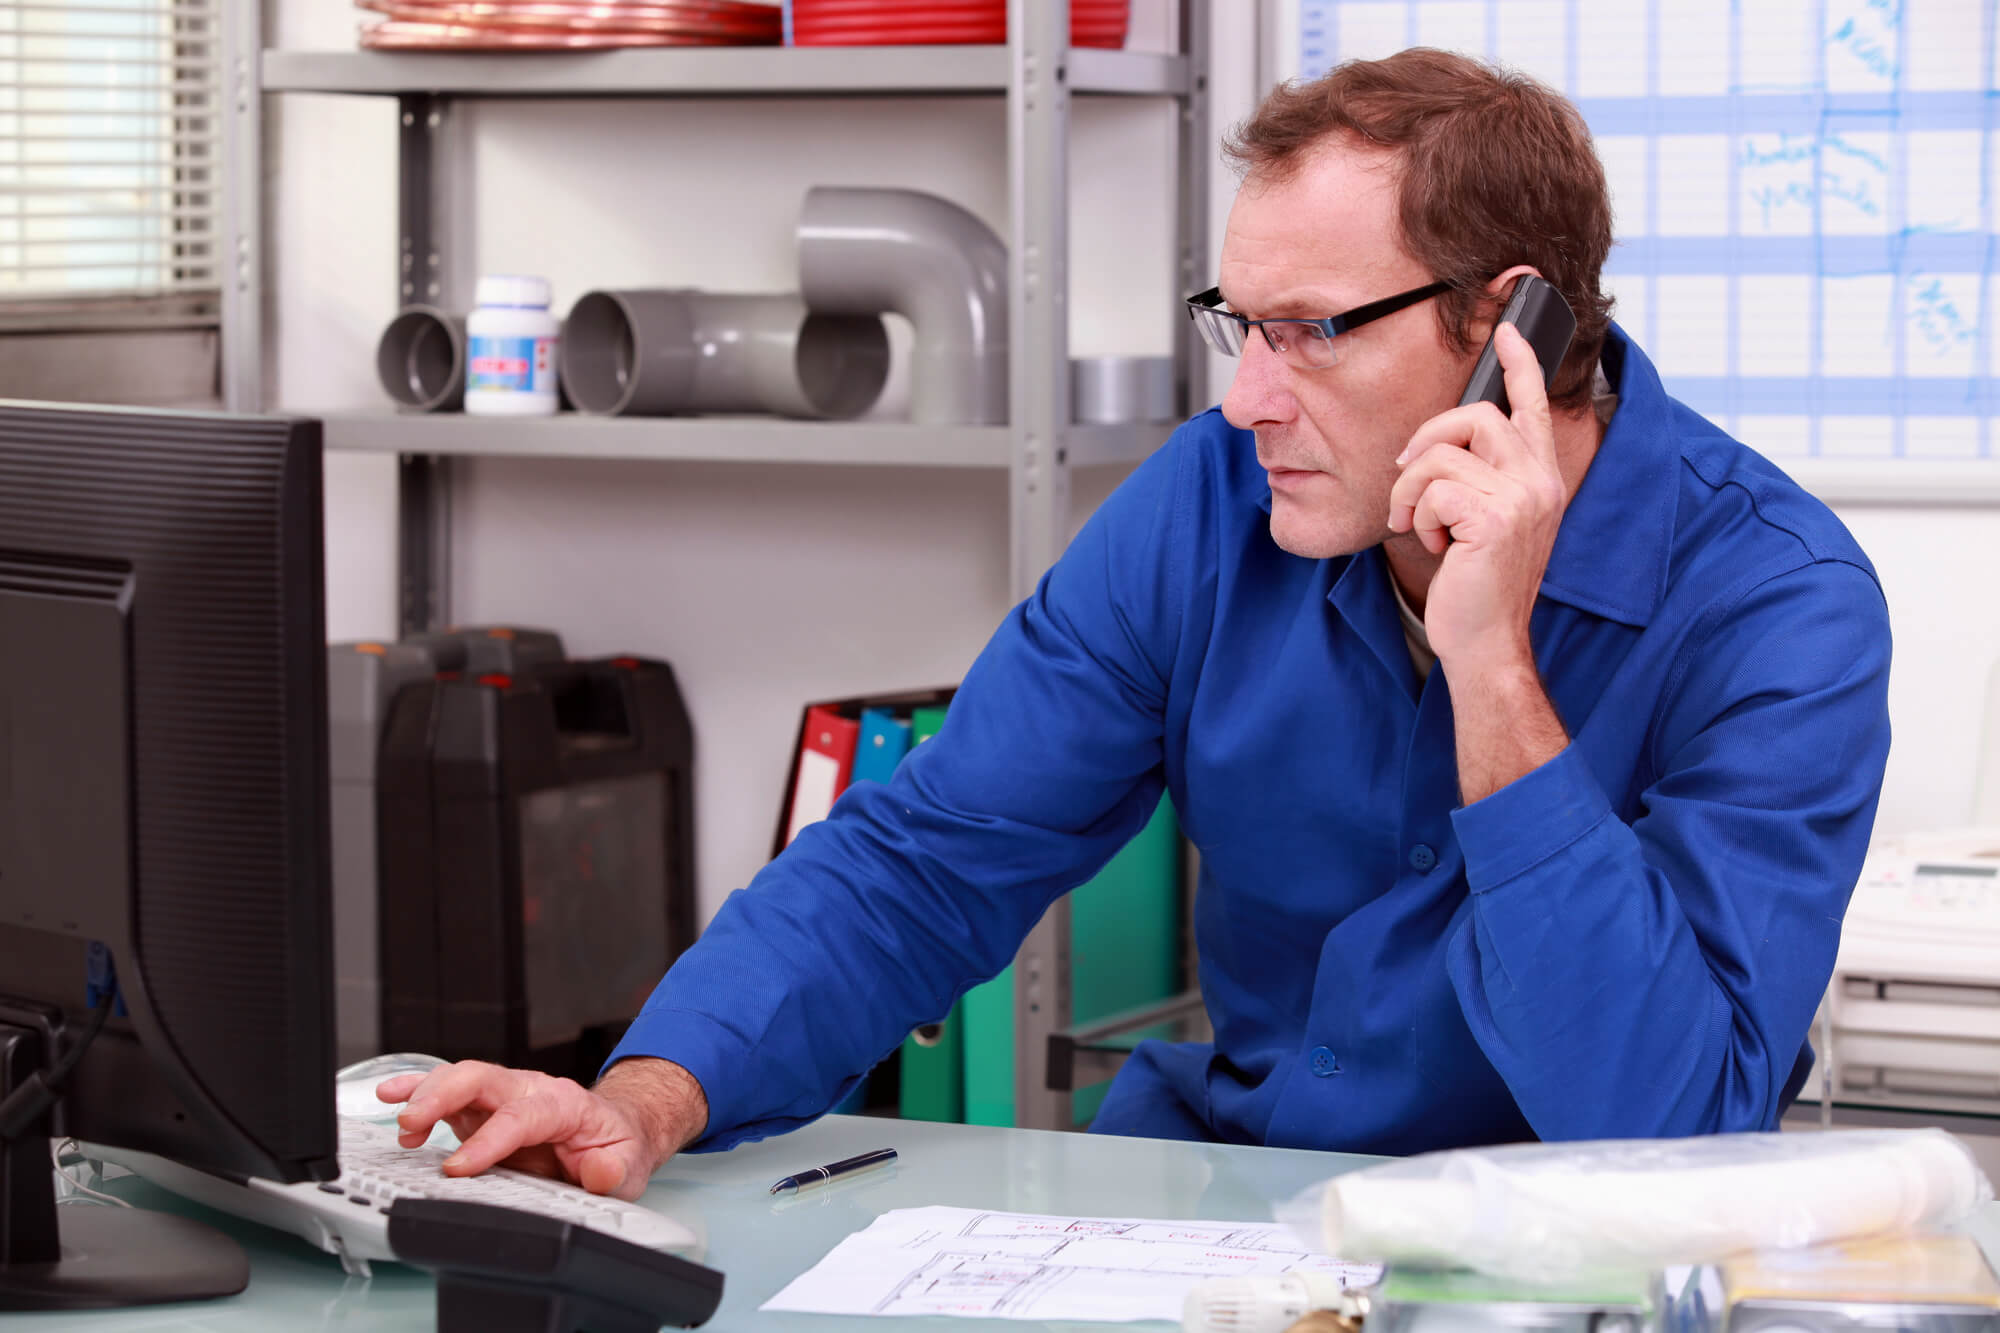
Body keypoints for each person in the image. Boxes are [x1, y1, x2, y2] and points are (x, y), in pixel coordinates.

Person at [382, 48, 1892, 1199]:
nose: (1247, 398)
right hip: (1229, 1232)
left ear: (1506, 331)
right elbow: (933, 853)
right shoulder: (1214, 503)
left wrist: (1492, 664)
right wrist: (650, 1093)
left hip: (1556, 1266)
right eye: (1241, 323)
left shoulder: (1780, 608)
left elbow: (1672, 1125)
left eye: (1312, 331)